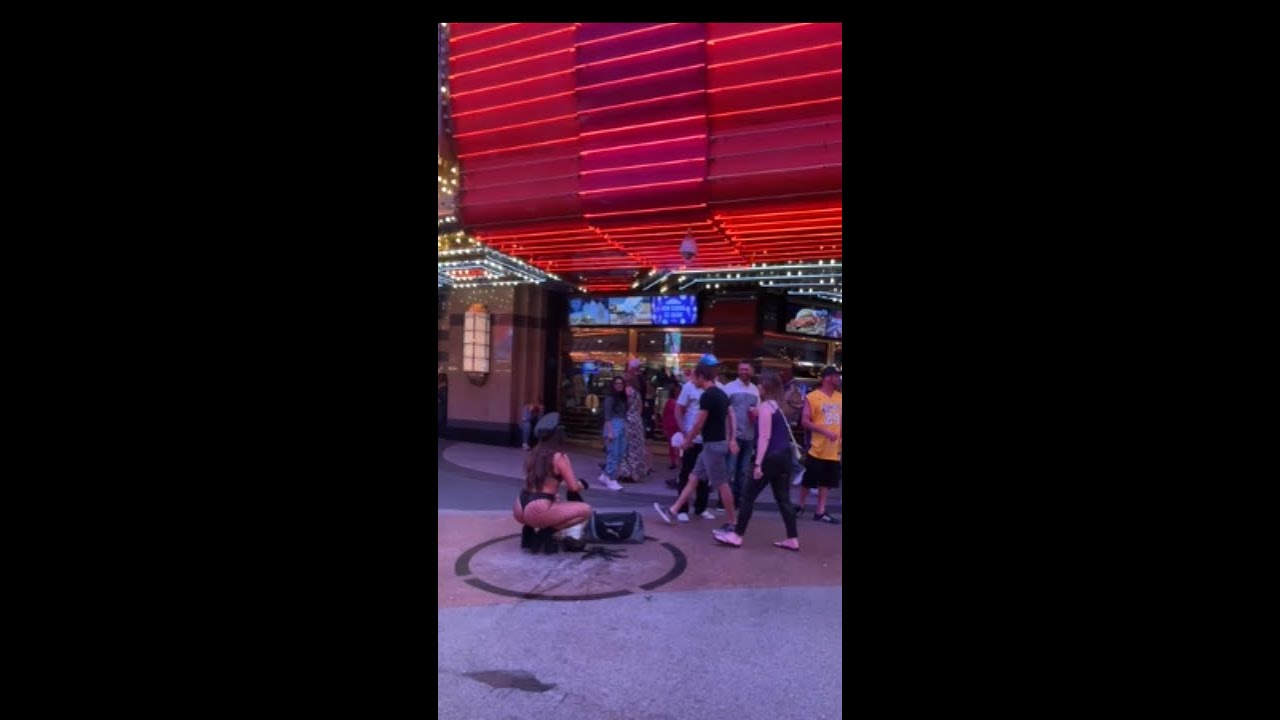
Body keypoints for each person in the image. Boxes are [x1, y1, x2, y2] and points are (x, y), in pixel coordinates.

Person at [712, 370, 799, 550]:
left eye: (760, 384)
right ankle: (792, 538)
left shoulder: (766, 407)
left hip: (769, 458)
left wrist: (758, 463)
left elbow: (764, 437)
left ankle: (737, 535)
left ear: (765, 387)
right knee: (783, 499)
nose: (757, 386)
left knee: (747, 496)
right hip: (784, 458)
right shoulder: (777, 407)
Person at [654, 362, 738, 530]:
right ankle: (674, 510)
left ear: (701, 377)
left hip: (712, 446)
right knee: (693, 478)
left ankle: (733, 522)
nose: (691, 381)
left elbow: (699, 423)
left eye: (694, 377)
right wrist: (732, 438)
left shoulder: (707, 396)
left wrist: (687, 440)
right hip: (714, 444)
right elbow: (732, 415)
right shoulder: (721, 394)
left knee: (722, 484)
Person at [513, 413, 594, 553]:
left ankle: (529, 531)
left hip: (519, 506)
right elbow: (573, 487)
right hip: (537, 509)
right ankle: (546, 533)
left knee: (554, 500)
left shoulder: (533, 452)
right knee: (585, 511)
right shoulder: (559, 457)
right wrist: (583, 484)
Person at [797, 365, 842, 523]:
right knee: (809, 479)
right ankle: (800, 505)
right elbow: (805, 421)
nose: (838, 378)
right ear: (827, 378)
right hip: (817, 446)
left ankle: (820, 511)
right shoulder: (813, 397)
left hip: (834, 448)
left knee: (826, 482)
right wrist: (824, 431)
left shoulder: (840, 397)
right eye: (836, 376)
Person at [722, 359, 761, 508]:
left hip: (749, 436)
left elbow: (758, 410)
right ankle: (724, 500)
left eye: (747, 369)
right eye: (742, 369)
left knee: (744, 471)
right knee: (729, 468)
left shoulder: (755, 390)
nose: (744, 372)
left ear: (752, 371)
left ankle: (737, 500)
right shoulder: (729, 388)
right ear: (738, 371)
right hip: (733, 436)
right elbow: (723, 412)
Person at [617, 373, 652, 482]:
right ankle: (636, 473)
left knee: (625, 448)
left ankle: (625, 472)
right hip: (636, 422)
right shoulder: (637, 393)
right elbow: (639, 408)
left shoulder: (623, 393)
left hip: (626, 421)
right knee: (636, 448)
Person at [597, 377, 627, 491]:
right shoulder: (610, 399)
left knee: (620, 453)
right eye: (617, 383)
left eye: (621, 383)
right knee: (613, 453)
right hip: (613, 425)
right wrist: (610, 431)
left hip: (622, 425)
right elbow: (607, 416)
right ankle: (611, 478)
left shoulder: (622, 398)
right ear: (613, 385)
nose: (619, 385)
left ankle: (606, 475)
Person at [437, 373, 449, 438]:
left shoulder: (442, 389)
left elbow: (442, 399)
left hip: (441, 408)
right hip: (443, 409)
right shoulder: (445, 389)